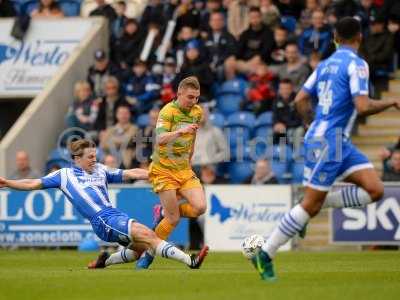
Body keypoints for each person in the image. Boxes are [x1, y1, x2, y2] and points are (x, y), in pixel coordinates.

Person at [251, 17, 400, 281]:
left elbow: (300, 99)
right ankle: (266, 252)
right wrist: (390, 104)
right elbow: (363, 106)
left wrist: (310, 123)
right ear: (360, 37)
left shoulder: (324, 65)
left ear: (334, 36)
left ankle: (314, 204)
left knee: (375, 189)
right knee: (310, 204)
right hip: (330, 141)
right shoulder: (357, 64)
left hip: (333, 140)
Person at [0, 139, 208, 270]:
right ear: (76, 158)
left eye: (95, 156)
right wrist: (8, 182)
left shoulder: (100, 169)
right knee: (149, 236)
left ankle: (104, 261)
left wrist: (158, 174)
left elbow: (131, 173)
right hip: (102, 220)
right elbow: (33, 182)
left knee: (140, 249)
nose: (94, 159)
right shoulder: (63, 175)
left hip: (113, 215)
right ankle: (190, 262)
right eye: (90, 157)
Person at [136, 76, 206, 269]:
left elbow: (192, 138)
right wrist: (180, 131)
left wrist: (190, 159)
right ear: (179, 93)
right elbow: (160, 139)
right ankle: (149, 254)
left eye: (197, 98)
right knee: (173, 219)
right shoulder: (168, 111)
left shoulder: (197, 111)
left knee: (200, 208)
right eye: (190, 97)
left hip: (183, 169)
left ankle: (163, 211)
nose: (194, 102)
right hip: (164, 170)